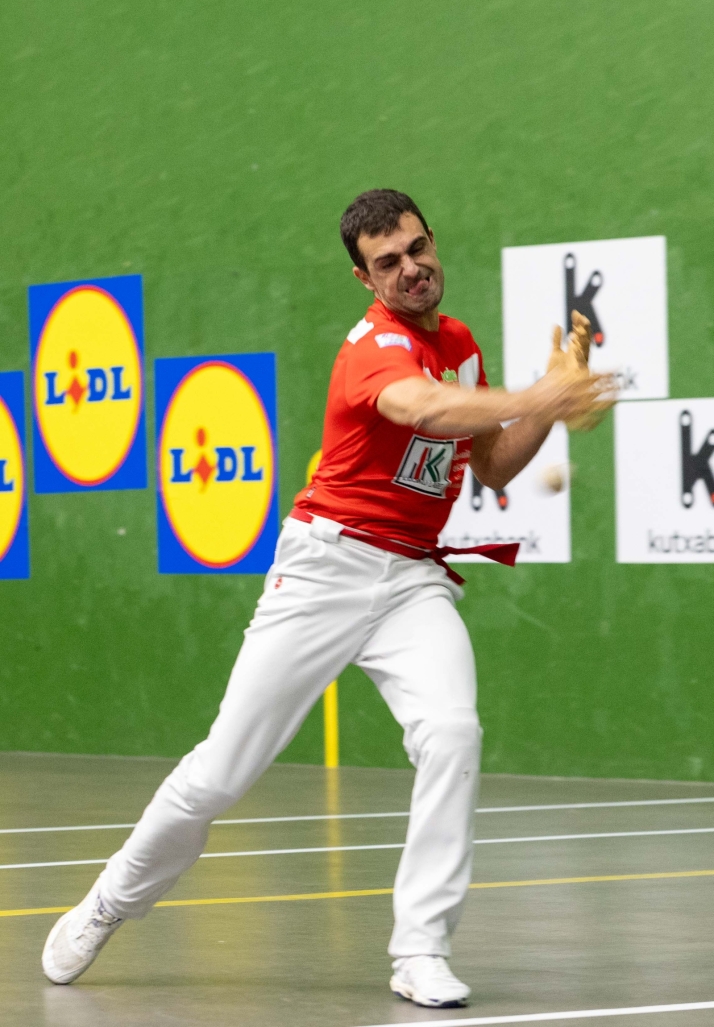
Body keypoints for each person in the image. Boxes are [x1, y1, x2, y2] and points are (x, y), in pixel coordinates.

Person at [42, 189, 607, 1008]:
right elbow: (424, 407)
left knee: (452, 731)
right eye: (388, 262)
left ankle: (420, 949)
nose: (411, 268)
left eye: (417, 248)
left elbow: (491, 464)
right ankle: (105, 904)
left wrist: (555, 398)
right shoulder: (372, 348)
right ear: (363, 277)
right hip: (324, 572)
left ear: (431, 241)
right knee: (220, 774)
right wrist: (537, 396)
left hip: (411, 577)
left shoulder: (459, 343)